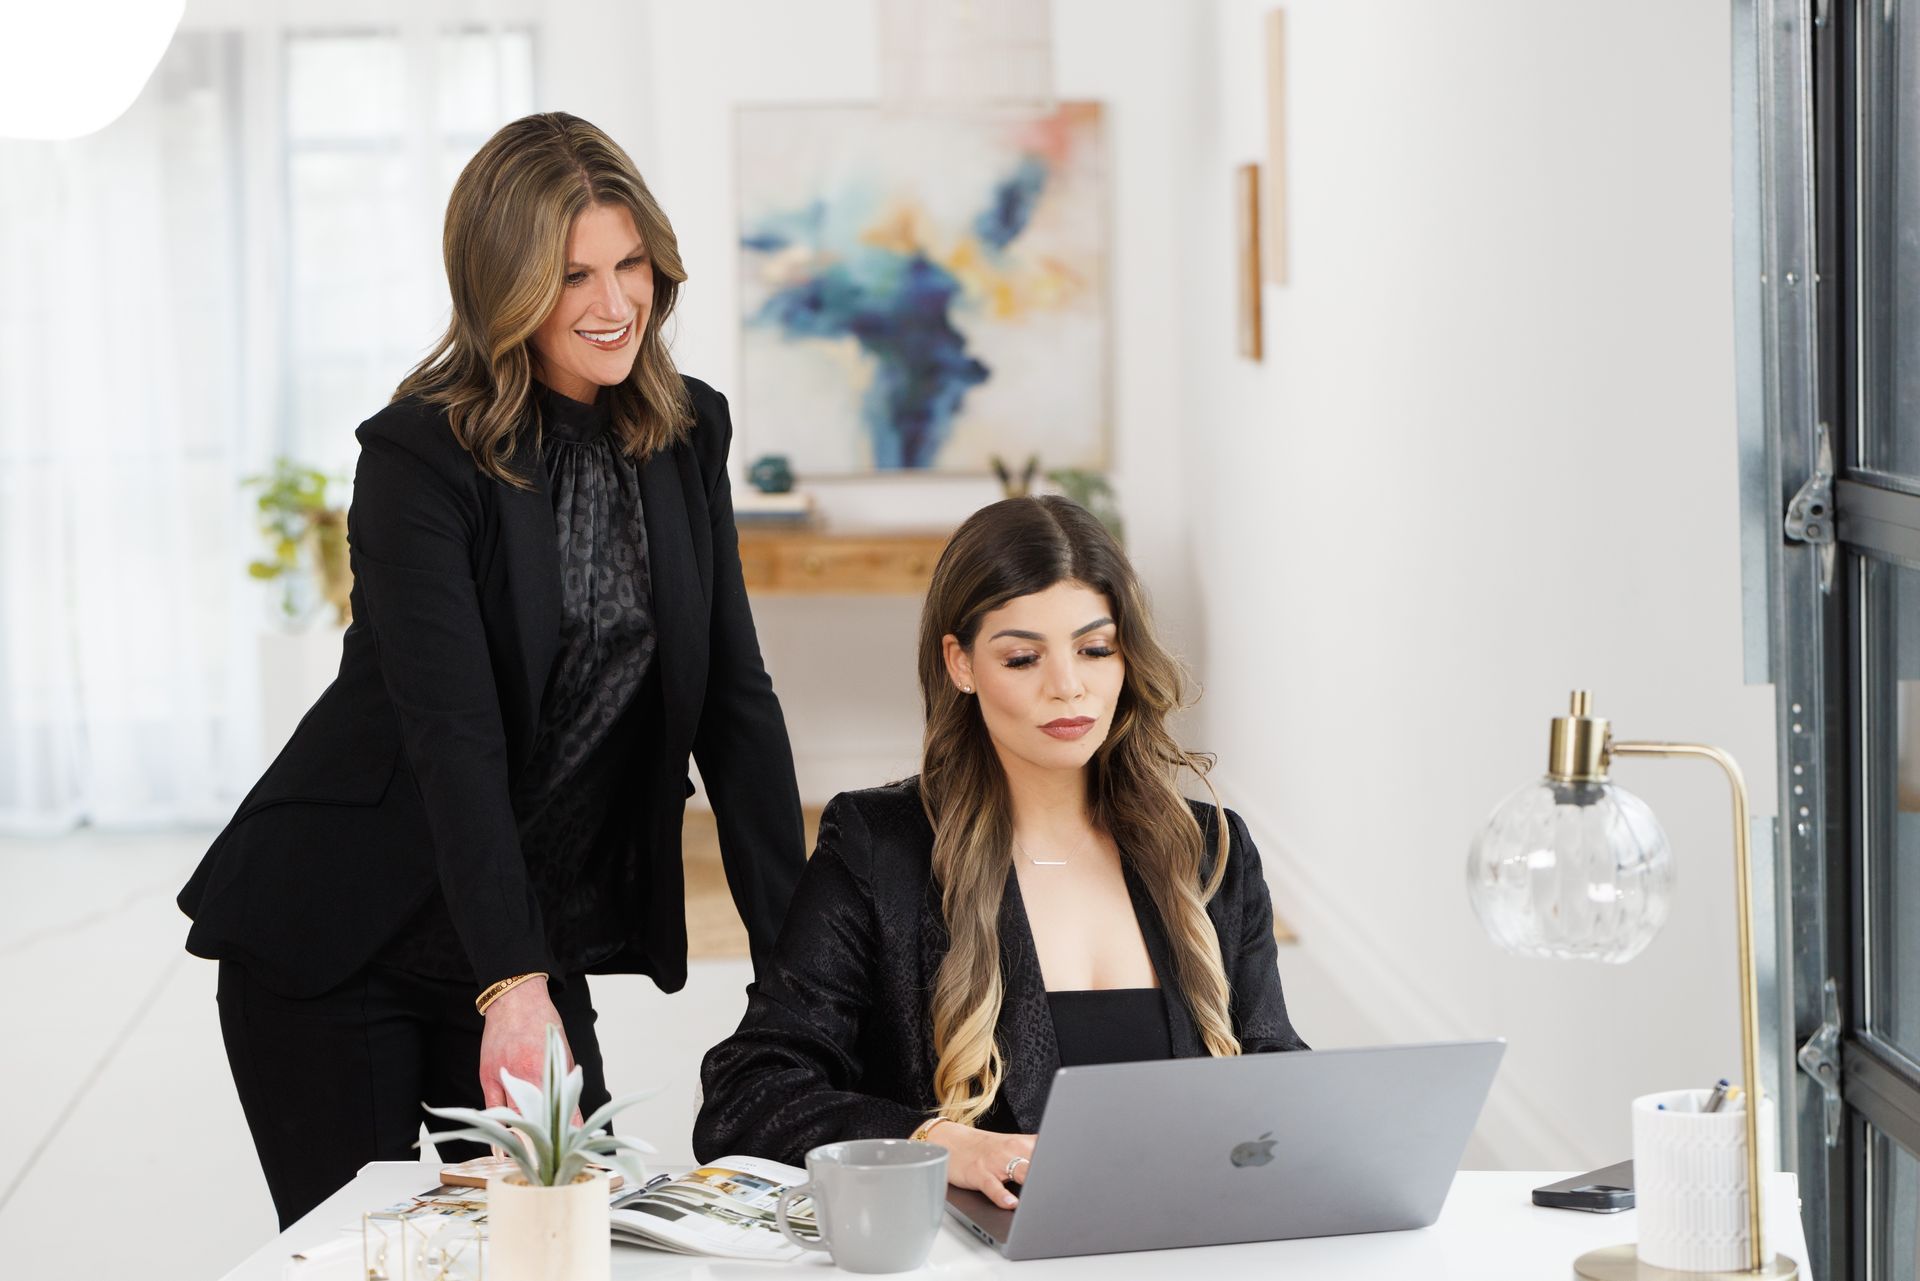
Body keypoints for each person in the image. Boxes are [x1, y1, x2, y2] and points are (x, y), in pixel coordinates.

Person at [178, 112, 805, 1227]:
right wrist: (513, 989)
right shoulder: (421, 455)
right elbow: (451, 733)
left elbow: (735, 706)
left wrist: (802, 972)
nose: (615, 305)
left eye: (631, 266)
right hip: (341, 932)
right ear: (504, 283)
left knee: (585, 1241)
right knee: (374, 1253)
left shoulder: (684, 430)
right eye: (572, 277)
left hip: (519, 925)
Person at [694, 495, 1307, 1209]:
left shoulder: (1209, 851)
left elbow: (1276, 1077)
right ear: (960, 663)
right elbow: (748, 1093)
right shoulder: (879, 848)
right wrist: (933, 1140)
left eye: (1095, 648)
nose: (1068, 685)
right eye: (1023, 657)